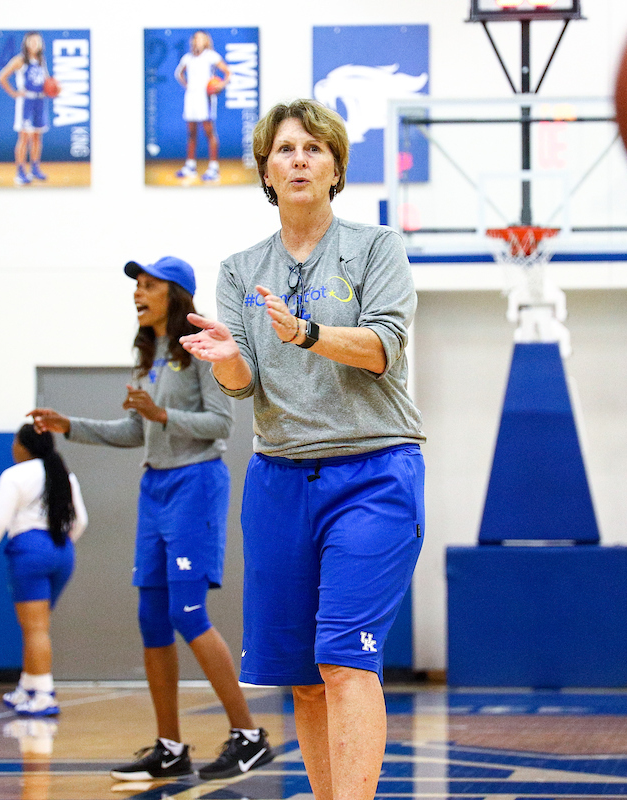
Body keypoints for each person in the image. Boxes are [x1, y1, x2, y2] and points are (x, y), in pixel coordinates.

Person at [179, 99, 426, 800]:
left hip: (374, 470)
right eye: (285, 149)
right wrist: (228, 357)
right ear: (265, 169)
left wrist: (308, 333)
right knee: (304, 676)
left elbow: (383, 348)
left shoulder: (376, 247)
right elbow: (241, 385)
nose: (298, 159)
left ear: (335, 167)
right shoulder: (238, 270)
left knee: (346, 660)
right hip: (280, 476)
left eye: (314, 149)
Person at [29, 256, 274, 782]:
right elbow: (133, 432)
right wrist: (69, 424)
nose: (137, 293)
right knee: (152, 619)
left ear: (175, 294)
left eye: (147, 286)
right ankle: (170, 747)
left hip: (195, 483)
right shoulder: (148, 355)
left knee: (188, 612)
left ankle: (248, 736)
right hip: (156, 485)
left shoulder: (201, 346)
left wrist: (163, 415)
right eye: (135, 286)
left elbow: (218, 423)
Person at [0, 425, 87, 717]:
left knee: (35, 629)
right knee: (38, 626)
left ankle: (43, 694)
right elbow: (80, 521)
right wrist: (57, 549)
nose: (12, 446)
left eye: (15, 440)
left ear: (25, 446)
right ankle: (27, 686)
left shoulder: (13, 475)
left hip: (30, 551)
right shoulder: (64, 474)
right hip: (62, 550)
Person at [174, 31, 230, 183]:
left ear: (205, 41)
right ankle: (190, 166)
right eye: (195, 38)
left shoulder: (211, 56)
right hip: (191, 98)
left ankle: (213, 168)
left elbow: (228, 72)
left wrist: (220, 86)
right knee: (191, 133)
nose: (196, 40)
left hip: (205, 98)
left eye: (200, 38)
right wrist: (188, 86)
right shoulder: (188, 58)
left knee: (209, 132)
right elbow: (178, 73)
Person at [0, 32, 51, 186]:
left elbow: (46, 80)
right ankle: (20, 171)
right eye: (32, 41)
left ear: (41, 44)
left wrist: (53, 88)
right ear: (26, 43)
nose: (35, 44)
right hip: (26, 101)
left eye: (38, 41)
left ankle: (35, 168)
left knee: (36, 137)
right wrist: (14, 93)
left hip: (40, 100)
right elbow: (2, 77)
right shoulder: (19, 60)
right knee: (24, 137)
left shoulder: (41, 60)